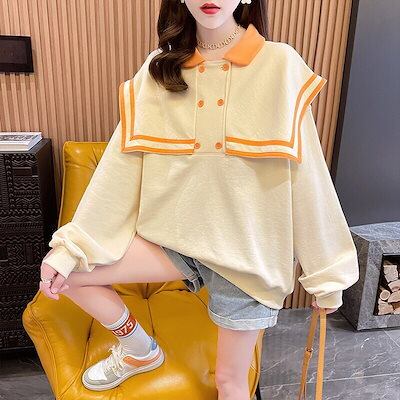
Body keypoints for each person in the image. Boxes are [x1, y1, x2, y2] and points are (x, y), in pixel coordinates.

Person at [39, 1, 360, 399]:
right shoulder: (160, 68)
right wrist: (72, 247)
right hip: (174, 241)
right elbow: (120, 168)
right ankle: (140, 350)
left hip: (246, 257)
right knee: (65, 274)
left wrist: (327, 272)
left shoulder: (279, 64)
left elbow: (308, 175)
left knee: (229, 383)